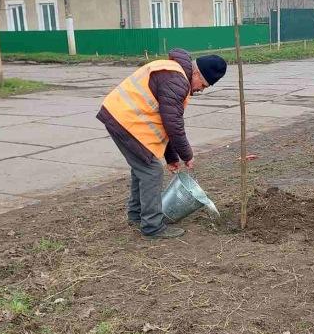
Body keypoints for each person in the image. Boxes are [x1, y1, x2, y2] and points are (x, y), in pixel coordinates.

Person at [97, 49, 227, 239]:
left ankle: (136, 214)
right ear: (197, 73)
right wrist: (187, 155)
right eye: (203, 85)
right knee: (152, 171)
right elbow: (173, 125)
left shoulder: (174, 73)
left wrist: (172, 157)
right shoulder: (177, 80)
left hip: (121, 117)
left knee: (143, 168)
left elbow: (165, 122)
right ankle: (152, 226)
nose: (200, 90)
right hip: (126, 121)